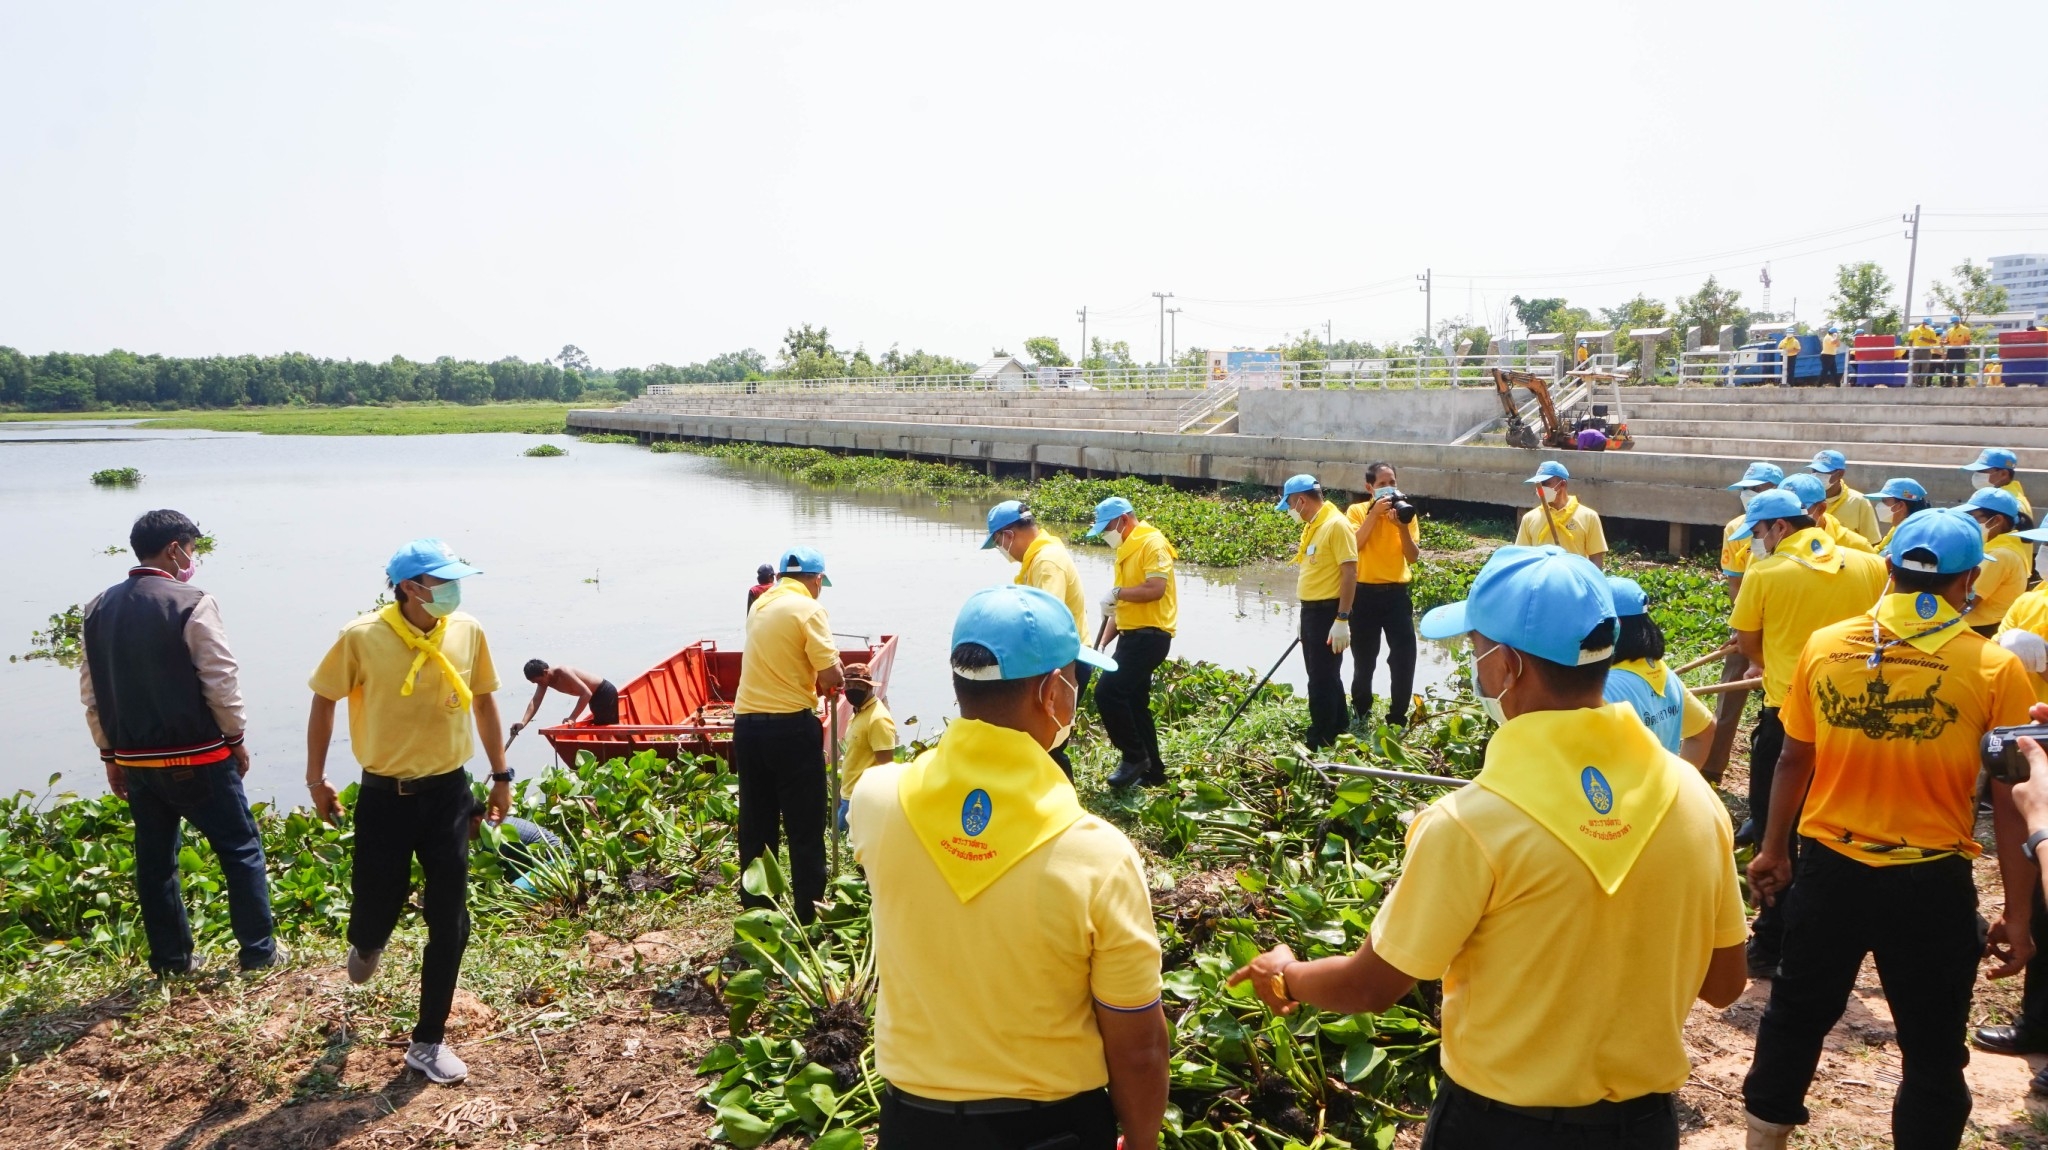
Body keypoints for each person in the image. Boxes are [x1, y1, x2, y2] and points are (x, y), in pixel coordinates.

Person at [1228, 545, 1747, 1150]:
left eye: (1477, 653)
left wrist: (1285, 974)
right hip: (1643, 1127)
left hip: (1501, 1128)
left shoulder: (1470, 823)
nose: (1477, 671)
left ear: (1509, 668)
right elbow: (1724, 984)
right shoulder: (1692, 798)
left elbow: (1371, 986)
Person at [1741, 508, 2038, 1149]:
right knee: (1933, 1048)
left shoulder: (1826, 646)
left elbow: (1795, 756)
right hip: (1930, 886)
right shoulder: (1992, 668)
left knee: (1794, 1014)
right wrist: (2018, 912)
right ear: (1970, 582)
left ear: (1891, 571)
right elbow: (2012, 799)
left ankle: (1763, 1139)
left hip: (1830, 873)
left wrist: (1773, 850)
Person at [848, 585, 1165, 1150]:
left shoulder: (878, 801)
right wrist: (1141, 1141)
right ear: (1050, 694)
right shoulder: (1098, 855)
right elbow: (1138, 1048)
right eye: (1074, 680)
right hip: (1052, 1130)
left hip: (912, 1125)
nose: (1076, 696)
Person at [306, 538, 510, 1086]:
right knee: (377, 904)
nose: (451, 591)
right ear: (409, 588)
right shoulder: (361, 637)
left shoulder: (467, 631)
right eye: (440, 582)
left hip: (449, 792)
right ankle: (368, 939)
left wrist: (500, 773)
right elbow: (324, 700)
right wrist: (316, 777)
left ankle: (428, 1040)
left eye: (453, 581)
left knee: (451, 919)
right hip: (384, 797)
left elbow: (486, 700)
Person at [78, 509, 276, 976]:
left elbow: (91, 692)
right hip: (199, 755)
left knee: (156, 862)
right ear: (174, 548)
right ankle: (258, 952)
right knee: (240, 848)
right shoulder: (192, 601)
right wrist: (236, 737)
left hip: (136, 761)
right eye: (192, 549)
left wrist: (109, 755)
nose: (193, 559)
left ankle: (172, 961)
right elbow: (219, 677)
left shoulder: (97, 607)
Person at [1726, 489, 1888, 973]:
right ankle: (1825, 936)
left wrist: (1771, 665)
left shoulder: (1767, 573)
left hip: (1788, 717)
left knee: (1778, 827)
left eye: (1757, 532)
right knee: (1837, 825)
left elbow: (1748, 641)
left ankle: (1772, 940)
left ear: (1780, 527)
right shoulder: (1868, 564)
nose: (1757, 542)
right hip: (1854, 718)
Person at [733, 547, 844, 924]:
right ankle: (809, 914)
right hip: (789, 727)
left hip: (746, 726)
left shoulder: (760, 606)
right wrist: (836, 678)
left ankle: (757, 914)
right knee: (805, 824)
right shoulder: (809, 609)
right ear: (815, 580)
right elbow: (831, 677)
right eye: (820, 583)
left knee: (756, 822)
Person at [983, 499, 1089, 776]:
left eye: (998, 543)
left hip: (1064, 664)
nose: (1001, 550)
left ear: (1008, 534)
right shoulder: (1038, 558)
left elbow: (1046, 621)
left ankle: (1062, 806)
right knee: (1044, 743)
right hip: (1056, 661)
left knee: (1049, 743)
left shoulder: (1047, 562)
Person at [1088, 496, 1178, 789]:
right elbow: (1122, 607)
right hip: (1130, 637)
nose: (1105, 535)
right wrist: (1101, 643)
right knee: (1135, 703)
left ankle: (1133, 757)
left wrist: (1117, 593)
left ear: (1124, 520)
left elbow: (1155, 589)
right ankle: (1153, 772)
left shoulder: (1152, 543)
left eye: (1107, 528)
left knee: (1108, 693)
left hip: (1150, 637)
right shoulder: (1126, 549)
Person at [1707, 462, 1786, 783]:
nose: (1747, 494)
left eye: (1756, 488)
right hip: (1751, 619)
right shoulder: (1735, 528)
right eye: (1745, 488)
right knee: (1729, 694)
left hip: (1788, 621)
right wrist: (1744, 627)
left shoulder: (1792, 528)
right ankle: (1712, 766)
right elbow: (1736, 583)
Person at [1277, 475, 1357, 749]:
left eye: (1289, 505)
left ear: (1301, 500)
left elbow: (1350, 572)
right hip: (1311, 611)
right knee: (1324, 674)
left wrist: (1342, 618)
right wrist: (1304, 615)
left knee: (1320, 680)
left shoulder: (1337, 525)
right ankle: (1339, 725)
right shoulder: (1314, 525)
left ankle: (1320, 736)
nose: (1289, 512)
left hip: (1328, 612)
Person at [1603, 577, 1716, 768]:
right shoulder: (1665, 674)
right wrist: (1681, 784)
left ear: (1616, 626)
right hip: (1660, 795)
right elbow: (1705, 731)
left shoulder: (1605, 687)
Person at [1346, 462, 1422, 729]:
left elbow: (1412, 557)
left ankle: (1397, 718)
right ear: (1369, 488)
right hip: (1363, 595)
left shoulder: (1406, 512)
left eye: (1392, 482)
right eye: (1382, 485)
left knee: (1404, 657)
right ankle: (1361, 712)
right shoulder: (1356, 511)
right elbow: (1353, 546)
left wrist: (1401, 526)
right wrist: (1373, 515)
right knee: (1364, 659)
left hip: (1396, 595)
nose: (1388, 489)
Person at [834, 662, 897, 833]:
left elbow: (885, 768)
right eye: (849, 684)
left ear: (868, 686)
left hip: (862, 799)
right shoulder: (859, 712)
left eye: (858, 685)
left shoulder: (878, 719)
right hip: (848, 796)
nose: (852, 689)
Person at [1962, 487, 2030, 635]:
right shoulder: (1999, 547)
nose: (1968, 522)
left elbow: (1967, 601)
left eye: (1973, 517)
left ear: (1997, 520)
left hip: (1982, 630)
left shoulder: (2000, 555)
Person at [1513, 460, 1608, 566]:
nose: (1540, 488)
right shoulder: (1529, 518)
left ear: (1562, 484)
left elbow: (1596, 557)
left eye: (1545, 484)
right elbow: (1522, 556)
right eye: (1538, 484)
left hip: (1573, 580)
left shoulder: (1589, 517)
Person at [511, 660, 616, 736]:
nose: (538, 684)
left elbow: (586, 693)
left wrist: (573, 717)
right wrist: (523, 723)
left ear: (546, 672)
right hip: (594, 697)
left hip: (603, 692)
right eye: (535, 683)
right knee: (603, 731)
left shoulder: (562, 672)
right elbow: (535, 701)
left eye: (538, 681)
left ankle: (628, 749)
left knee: (605, 731)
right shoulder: (544, 681)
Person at [1781, 473, 1875, 554]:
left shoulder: (1857, 547)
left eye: (1799, 510)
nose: (1787, 518)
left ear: (1821, 508)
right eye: (1780, 510)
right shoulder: (1769, 542)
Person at [1805, 449, 1882, 544]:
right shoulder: (1803, 498)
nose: (1817, 475)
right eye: (1814, 470)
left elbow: (1872, 541)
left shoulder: (1858, 501)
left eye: (1824, 472)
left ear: (1840, 474)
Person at [1962, 447, 2033, 523]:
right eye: (1977, 471)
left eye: (1982, 471)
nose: (1977, 475)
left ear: (2004, 474)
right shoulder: (2001, 497)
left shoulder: (2011, 504)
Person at [1872, 477, 1931, 551]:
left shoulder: (1910, 534)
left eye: (1884, 501)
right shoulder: (1899, 527)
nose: (1879, 505)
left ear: (1900, 506)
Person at [1906, 318, 1940, 387]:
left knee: (1925, 367)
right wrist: (1910, 349)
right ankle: (1914, 382)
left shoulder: (1931, 331)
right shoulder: (1915, 330)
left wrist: (1924, 339)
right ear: (1924, 323)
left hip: (1926, 351)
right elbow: (1910, 340)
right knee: (1915, 367)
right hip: (1916, 350)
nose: (1929, 325)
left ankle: (1921, 382)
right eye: (1928, 324)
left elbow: (1934, 341)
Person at [1942, 314, 1974, 386]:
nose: (1952, 324)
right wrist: (1943, 343)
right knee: (1949, 367)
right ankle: (1948, 383)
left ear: (1957, 322)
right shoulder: (1950, 330)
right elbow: (1947, 341)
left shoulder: (1965, 329)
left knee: (1960, 367)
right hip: (1951, 350)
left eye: (1953, 322)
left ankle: (1960, 383)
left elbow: (1968, 340)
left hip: (1960, 349)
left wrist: (1967, 350)